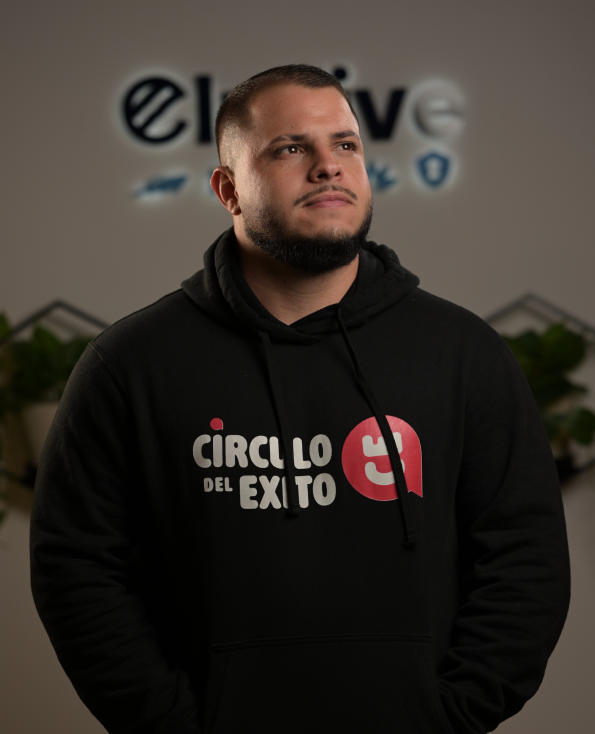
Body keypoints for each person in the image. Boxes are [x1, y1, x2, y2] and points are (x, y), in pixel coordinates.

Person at [30, 64, 570, 734]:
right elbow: (77, 565)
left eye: (345, 144)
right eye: (290, 148)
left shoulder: (463, 352)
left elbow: (524, 554)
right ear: (228, 189)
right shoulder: (130, 364)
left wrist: (447, 716)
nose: (328, 165)